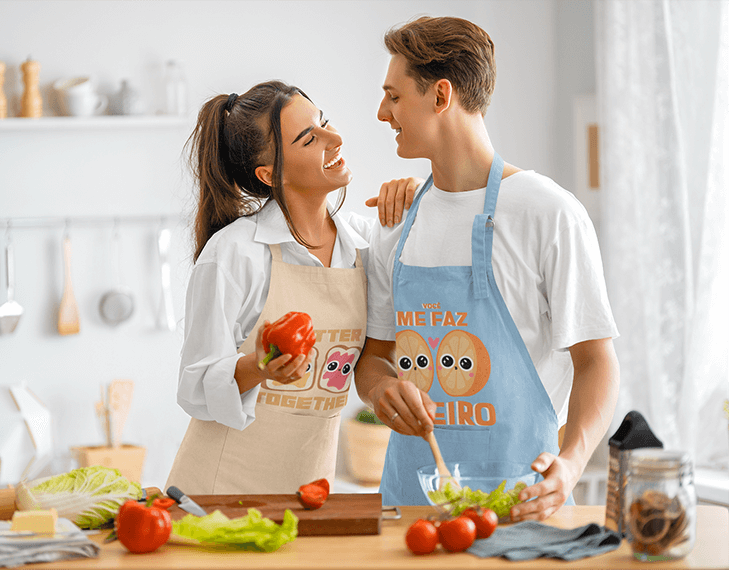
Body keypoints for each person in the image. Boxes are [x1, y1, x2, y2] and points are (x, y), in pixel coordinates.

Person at [355, 16, 620, 520]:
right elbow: (373, 359)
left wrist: (571, 463)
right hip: (410, 514)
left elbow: (597, 360)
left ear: (440, 96)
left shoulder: (550, 213)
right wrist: (381, 388)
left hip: (522, 506)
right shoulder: (395, 221)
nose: (381, 112)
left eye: (393, 96)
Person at [165, 80, 419, 494]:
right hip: (218, 493)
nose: (335, 139)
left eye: (326, 123)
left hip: (308, 493)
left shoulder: (365, 245)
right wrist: (259, 369)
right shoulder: (234, 254)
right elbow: (194, 386)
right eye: (309, 138)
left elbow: (383, 346)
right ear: (269, 174)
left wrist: (413, 203)